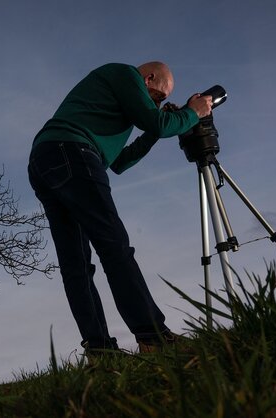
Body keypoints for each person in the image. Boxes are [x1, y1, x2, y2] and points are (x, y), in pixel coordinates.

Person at [28, 61, 213, 356]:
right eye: (159, 96)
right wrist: (194, 112)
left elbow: (121, 162)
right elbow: (159, 123)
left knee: (76, 264)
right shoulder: (125, 74)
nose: (158, 103)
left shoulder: (115, 109)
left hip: (46, 160)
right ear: (148, 78)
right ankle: (153, 338)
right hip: (72, 150)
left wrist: (155, 131)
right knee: (114, 246)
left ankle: (101, 352)